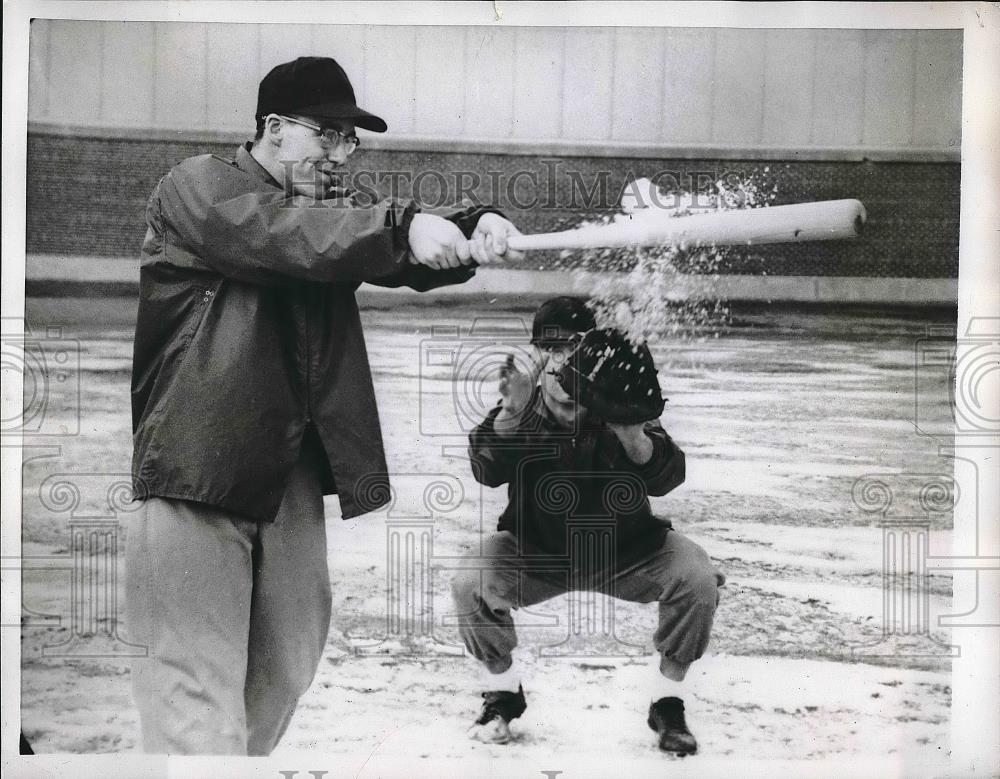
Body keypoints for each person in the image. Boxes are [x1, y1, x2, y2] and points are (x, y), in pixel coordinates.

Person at [126, 55, 523, 755]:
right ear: (274, 129)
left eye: (351, 140)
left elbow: (371, 241)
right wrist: (402, 228)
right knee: (194, 685)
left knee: (286, 664)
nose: (342, 153)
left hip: (289, 481)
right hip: (197, 471)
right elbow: (286, 238)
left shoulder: (328, 215)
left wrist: (471, 225)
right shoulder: (198, 189)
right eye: (328, 134)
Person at [451, 297, 725, 755]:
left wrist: (631, 431)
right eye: (551, 349)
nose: (562, 361)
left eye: (575, 347)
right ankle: (502, 694)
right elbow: (486, 469)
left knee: (697, 577)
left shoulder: (616, 396)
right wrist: (510, 413)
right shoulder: (522, 403)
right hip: (537, 552)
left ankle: (667, 701)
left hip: (628, 552)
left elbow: (666, 477)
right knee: (471, 582)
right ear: (537, 355)